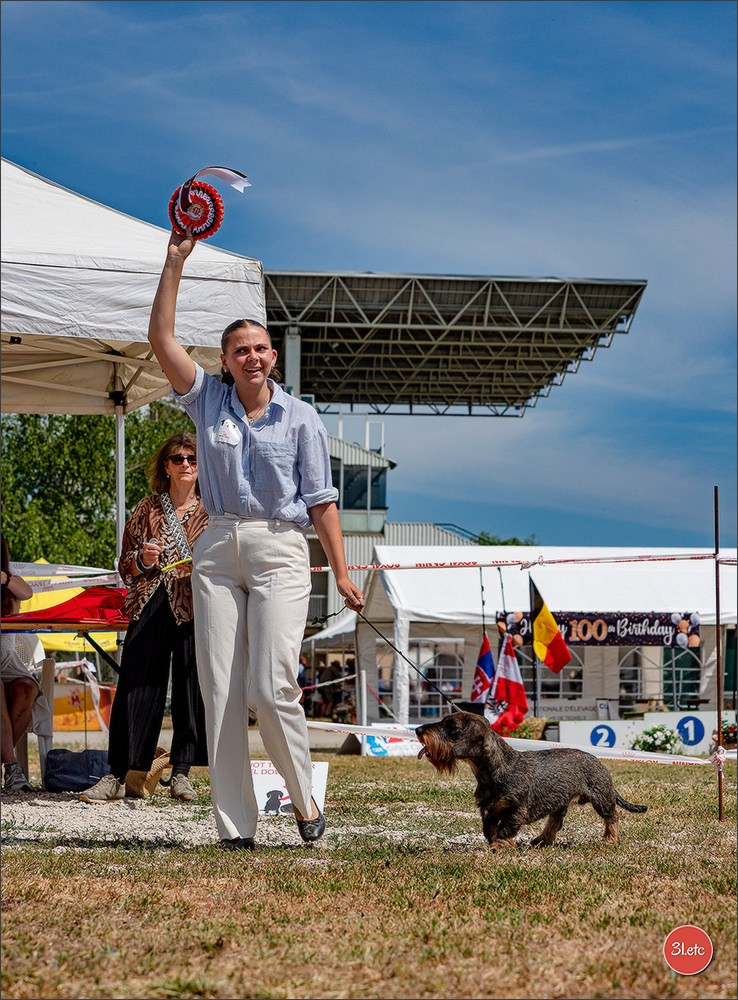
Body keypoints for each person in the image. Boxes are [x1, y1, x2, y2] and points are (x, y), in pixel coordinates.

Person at [147, 225, 364, 849]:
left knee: (271, 687)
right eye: (240, 349)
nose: (252, 356)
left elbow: (322, 500)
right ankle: (235, 829)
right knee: (219, 691)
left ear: (273, 356)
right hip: (215, 547)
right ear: (226, 361)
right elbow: (161, 337)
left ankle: (303, 803)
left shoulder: (302, 417)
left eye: (261, 348)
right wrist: (174, 261)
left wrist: (343, 572)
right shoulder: (207, 402)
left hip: (280, 549)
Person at [80, 433, 209, 803]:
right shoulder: (146, 509)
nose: (186, 465)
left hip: (196, 605)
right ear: (165, 466)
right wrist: (144, 559)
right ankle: (118, 773)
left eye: (193, 459)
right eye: (178, 458)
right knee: (135, 688)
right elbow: (124, 566)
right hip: (149, 602)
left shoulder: (214, 510)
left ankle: (182, 772)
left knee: (192, 689)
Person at [1, 538, 51, 792]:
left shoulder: (10, 583)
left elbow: (27, 593)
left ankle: (9, 767)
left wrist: (4, 579)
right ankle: (11, 767)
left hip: (7, 662)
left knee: (28, 690)